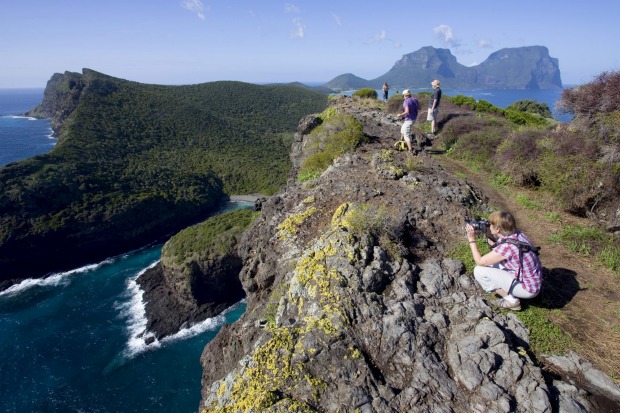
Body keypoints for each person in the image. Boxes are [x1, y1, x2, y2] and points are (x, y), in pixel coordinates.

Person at [465, 210, 542, 311]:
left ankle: (511, 301)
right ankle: (512, 291)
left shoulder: (508, 247)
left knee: (479, 271)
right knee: (491, 266)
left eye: (491, 225)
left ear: (498, 229)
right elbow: (499, 249)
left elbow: (480, 261)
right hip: (533, 281)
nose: (489, 226)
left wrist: (472, 240)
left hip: (528, 289)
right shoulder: (517, 235)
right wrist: (489, 234)